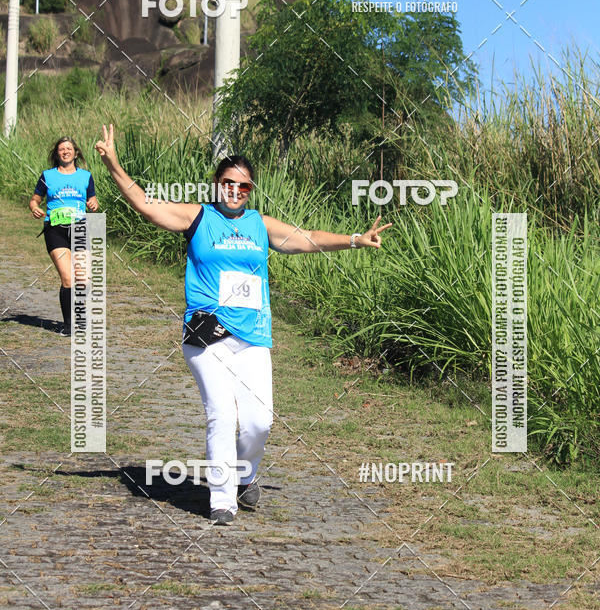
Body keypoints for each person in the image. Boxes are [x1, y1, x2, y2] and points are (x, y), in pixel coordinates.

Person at [95, 123, 391, 526]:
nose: (235, 191)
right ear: (216, 184)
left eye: (244, 186)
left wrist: (356, 239)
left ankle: (245, 475)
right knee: (221, 411)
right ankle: (221, 501)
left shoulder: (259, 225)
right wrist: (113, 163)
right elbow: (145, 203)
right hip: (207, 333)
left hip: (252, 336)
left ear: (251, 191)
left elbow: (308, 238)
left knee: (258, 421)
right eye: (229, 183)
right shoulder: (197, 217)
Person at [29, 136, 99, 336]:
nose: (65, 151)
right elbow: (35, 199)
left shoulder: (86, 176)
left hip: (80, 227)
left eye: (69, 148)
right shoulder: (47, 176)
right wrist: (35, 207)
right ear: (57, 154)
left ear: (76, 153)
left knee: (83, 278)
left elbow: (93, 199)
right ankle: (69, 326)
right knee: (68, 278)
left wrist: (94, 204)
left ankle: (81, 319)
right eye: (61, 149)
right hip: (55, 229)